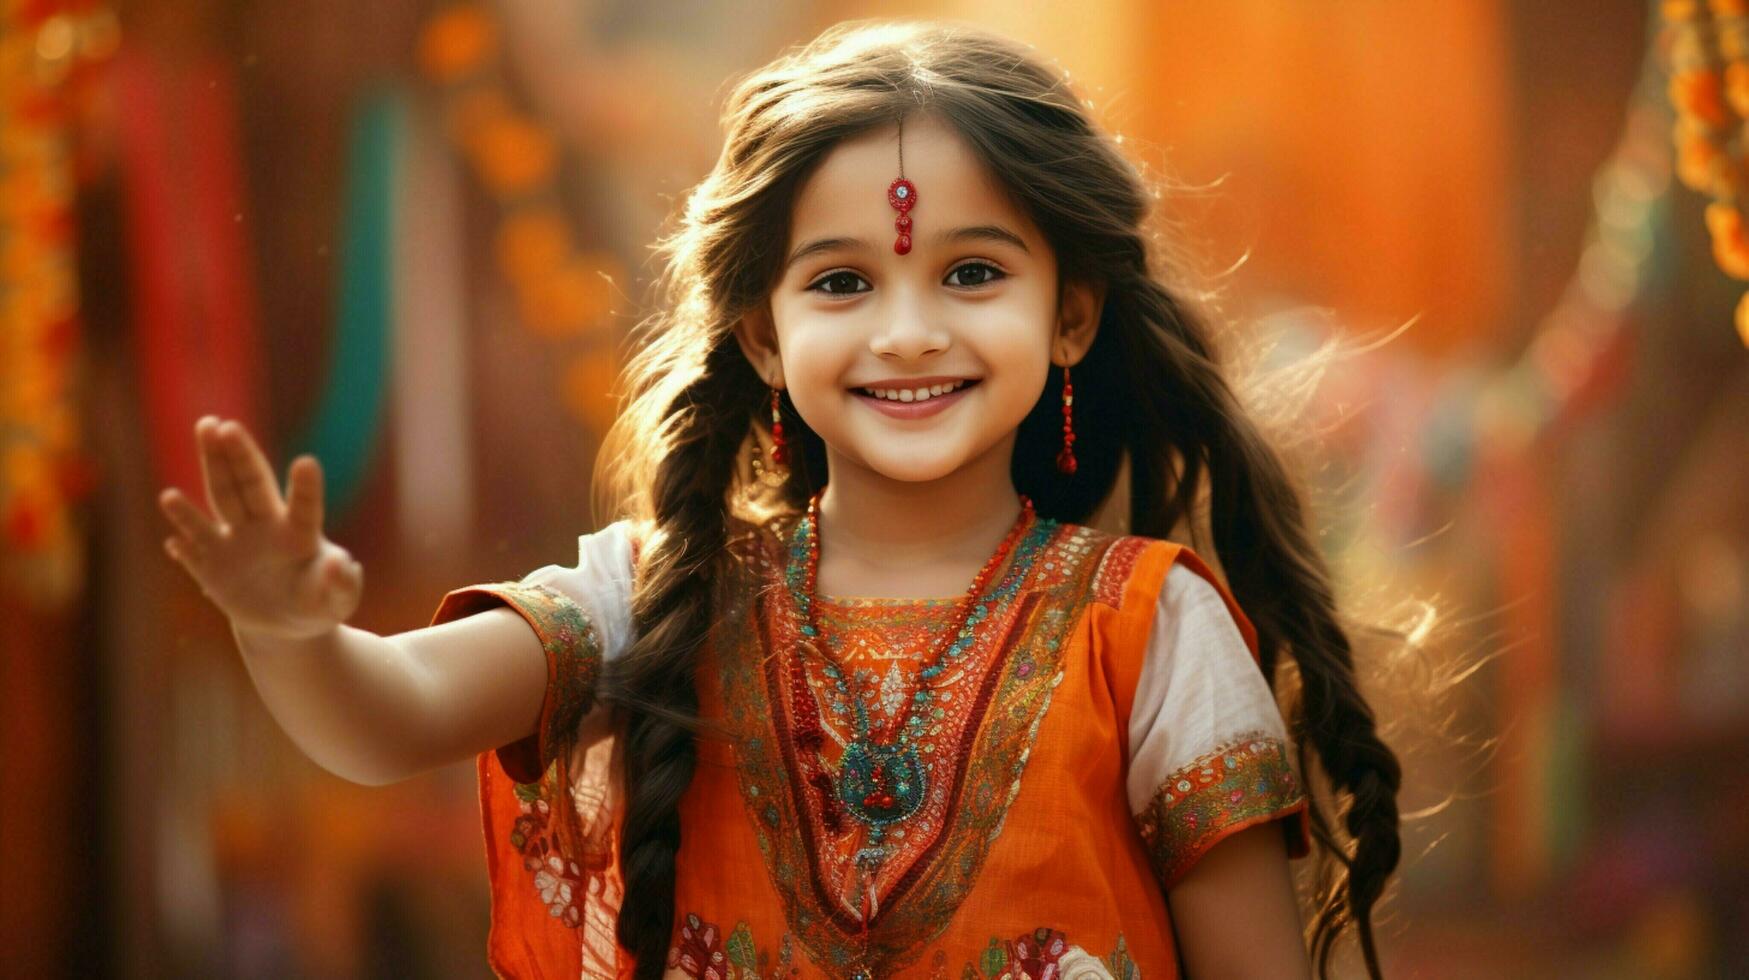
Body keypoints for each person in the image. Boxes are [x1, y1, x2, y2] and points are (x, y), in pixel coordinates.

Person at [158, 20, 1402, 980]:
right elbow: (388, 717)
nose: (908, 333)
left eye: (972, 272)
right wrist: (287, 630)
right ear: (761, 333)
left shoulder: (1155, 638)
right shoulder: (656, 599)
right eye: (843, 282)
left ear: (1068, 313)